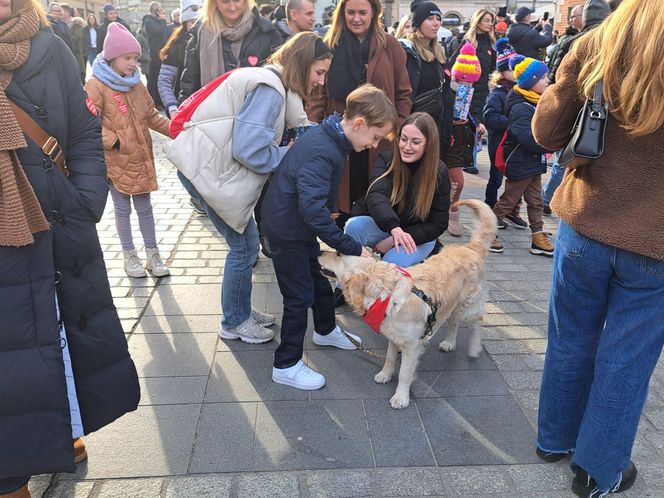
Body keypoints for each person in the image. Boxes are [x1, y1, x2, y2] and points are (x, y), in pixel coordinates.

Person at [0, 1, 140, 496]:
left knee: (52, 334)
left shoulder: (50, 45)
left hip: (53, 224)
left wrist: (84, 199)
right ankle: (13, 476)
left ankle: (61, 424)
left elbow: (82, 131)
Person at [533, 1, 663, 496]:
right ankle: (597, 470)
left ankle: (554, 438)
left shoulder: (599, 43)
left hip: (586, 222)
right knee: (626, 358)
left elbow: (547, 132)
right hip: (656, 241)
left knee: (571, 336)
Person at [170, 32, 332, 344]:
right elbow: (250, 149)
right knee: (242, 247)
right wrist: (292, 152)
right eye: (319, 72)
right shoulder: (271, 90)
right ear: (302, 64)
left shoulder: (271, 81)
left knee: (245, 243)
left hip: (205, 169)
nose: (321, 82)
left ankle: (239, 309)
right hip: (204, 172)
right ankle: (234, 321)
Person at [261, 85, 396, 390]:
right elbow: (312, 209)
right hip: (287, 230)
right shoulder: (325, 149)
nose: (374, 144)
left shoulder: (330, 139)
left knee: (319, 281)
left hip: (296, 226)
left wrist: (329, 209)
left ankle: (325, 329)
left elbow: (312, 195)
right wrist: (350, 246)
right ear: (359, 124)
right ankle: (286, 364)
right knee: (298, 297)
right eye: (375, 137)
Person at [307, 0, 411, 213]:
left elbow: (403, 93)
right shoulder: (329, 44)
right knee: (341, 195)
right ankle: (344, 241)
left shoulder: (390, 45)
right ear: (342, 13)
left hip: (379, 139)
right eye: (350, 12)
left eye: (363, 12)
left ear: (374, 13)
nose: (356, 18)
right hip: (340, 135)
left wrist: (395, 129)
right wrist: (312, 128)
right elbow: (318, 93)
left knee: (376, 194)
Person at [85, 22, 171, 278]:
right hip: (116, 160)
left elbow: (152, 116)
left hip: (141, 159)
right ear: (112, 57)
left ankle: (153, 254)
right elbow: (88, 125)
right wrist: (116, 142)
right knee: (122, 210)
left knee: (145, 208)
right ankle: (129, 255)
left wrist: (175, 129)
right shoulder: (96, 86)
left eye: (135, 58)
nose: (133, 63)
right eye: (127, 58)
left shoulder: (137, 84)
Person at [345, 112, 451, 267]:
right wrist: (393, 229)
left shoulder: (438, 173)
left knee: (390, 264)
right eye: (403, 139)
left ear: (428, 144)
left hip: (417, 236)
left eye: (415, 142)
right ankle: (343, 288)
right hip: (389, 227)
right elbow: (376, 195)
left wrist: (393, 240)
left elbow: (438, 223)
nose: (407, 147)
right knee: (354, 226)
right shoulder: (387, 160)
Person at [543, 0, 611, 216]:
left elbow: (555, 79)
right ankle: (547, 197)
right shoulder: (626, 46)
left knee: (568, 155)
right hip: (604, 118)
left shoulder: (576, 43)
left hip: (580, 113)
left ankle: (547, 198)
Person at [490, 55, 553, 256]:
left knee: (536, 201)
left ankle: (538, 236)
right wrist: (547, 145)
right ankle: (487, 230)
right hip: (521, 161)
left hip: (533, 162)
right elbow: (526, 137)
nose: (547, 81)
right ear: (531, 81)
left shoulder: (535, 102)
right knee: (509, 200)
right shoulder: (520, 106)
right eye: (543, 78)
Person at [178, 0, 282, 101]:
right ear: (214, 3)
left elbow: (278, 76)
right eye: (225, 1)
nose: (232, 7)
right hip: (210, 113)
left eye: (237, 0)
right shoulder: (200, 33)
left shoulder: (267, 31)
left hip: (255, 111)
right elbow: (190, 83)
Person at [483, 37, 526, 229]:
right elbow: (490, 117)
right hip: (499, 143)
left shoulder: (521, 91)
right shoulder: (498, 93)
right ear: (502, 72)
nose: (515, 73)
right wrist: (511, 122)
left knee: (517, 180)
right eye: (511, 69)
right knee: (495, 178)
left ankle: (511, 210)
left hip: (516, 145)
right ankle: (490, 208)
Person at [399, 2, 452, 157]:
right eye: (429, 18)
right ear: (417, 23)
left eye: (438, 18)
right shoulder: (407, 52)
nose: (436, 23)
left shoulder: (439, 54)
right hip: (413, 130)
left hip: (437, 127)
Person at [448, 8, 495, 175]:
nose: (490, 24)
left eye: (491, 21)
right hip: (467, 91)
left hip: (483, 92)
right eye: (487, 20)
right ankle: (468, 161)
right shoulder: (469, 41)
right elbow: (453, 63)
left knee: (477, 125)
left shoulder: (491, 43)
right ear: (478, 21)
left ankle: (470, 159)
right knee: (468, 125)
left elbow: (492, 67)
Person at [159, 0, 202, 117]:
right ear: (185, 22)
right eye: (193, 22)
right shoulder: (176, 46)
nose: (198, 26)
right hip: (184, 109)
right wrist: (172, 107)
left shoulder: (215, 42)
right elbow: (164, 81)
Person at [142, 2, 169, 108]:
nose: (161, 11)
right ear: (156, 11)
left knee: (159, 78)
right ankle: (156, 101)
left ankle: (159, 101)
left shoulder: (156, 21)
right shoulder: (149, 21)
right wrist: (162, 20)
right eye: (160, 10)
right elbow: (161, 31)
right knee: (156, 79)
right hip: (154, 55)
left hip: (160, 52)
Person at [68, 16, 87, 83]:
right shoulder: (76, 26)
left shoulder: (74, 26)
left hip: (78, 53)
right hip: (79, 54)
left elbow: (77, 38)